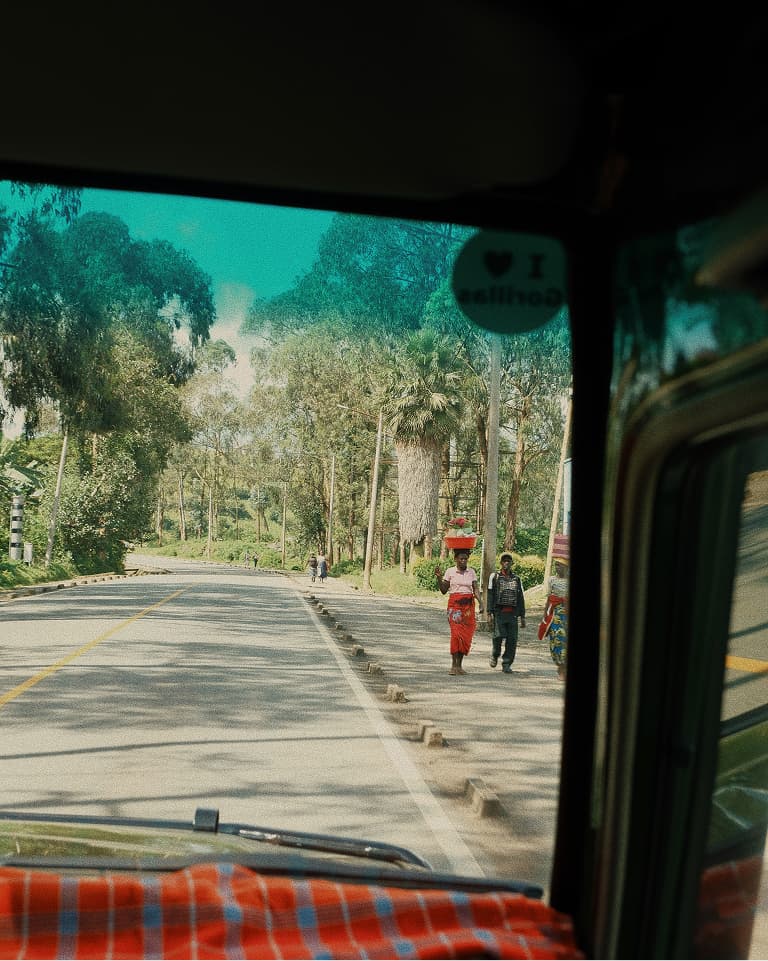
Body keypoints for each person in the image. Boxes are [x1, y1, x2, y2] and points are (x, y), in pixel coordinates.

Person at [434, 548, 483, 675]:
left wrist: (481, 603)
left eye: (465, 559)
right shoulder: (450, 571)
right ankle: (453, 665)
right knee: (456, 635)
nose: (463, 561)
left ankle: (459, 666)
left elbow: (475, 589)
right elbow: (444, 590)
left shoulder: (471, 572)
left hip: (468, 607)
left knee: (466, 635)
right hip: (454, 606)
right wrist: (439, 578)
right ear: (455, 559)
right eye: (461, 558)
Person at [487, 552, 527, 674]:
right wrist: (489, 613)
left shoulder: (517, 579)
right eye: (504, 561)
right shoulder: (494, 577)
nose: (506, 563)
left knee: (512, 640)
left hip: (513, 614)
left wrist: (523, 616)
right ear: (501, 563)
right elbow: (490, 595)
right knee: (498, 636)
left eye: (508, 561)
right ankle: (495, 654)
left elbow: (521, 598)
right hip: (499, 613)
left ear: (512, 563)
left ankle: (507, 663)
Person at [539, 545, 569, 680]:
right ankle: (559, 665)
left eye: (560, 565)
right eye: (556, 565)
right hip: (554, 614)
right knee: (555, 640)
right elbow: (549, 598)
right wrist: (545, 615)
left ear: (566, 568)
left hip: (567, 614)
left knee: (565, 641)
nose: (557, 568)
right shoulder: (552, 580)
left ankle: (563, 668)